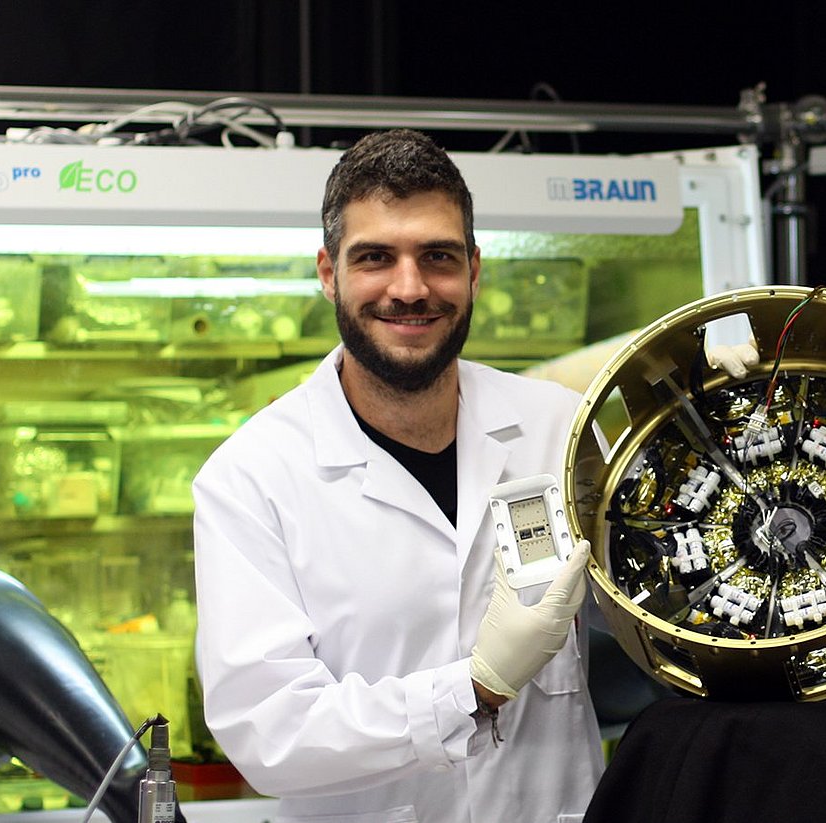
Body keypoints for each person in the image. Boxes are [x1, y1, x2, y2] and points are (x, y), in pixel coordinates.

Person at [193, 129, 601, 822]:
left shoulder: (556, 429)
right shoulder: (251, 477)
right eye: (376, 257)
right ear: (329, 272)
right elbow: (270, 732)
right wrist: (474, 689)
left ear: (474, 269)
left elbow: (657, 605)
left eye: (437, 257)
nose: (409, 288)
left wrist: (710, 421)